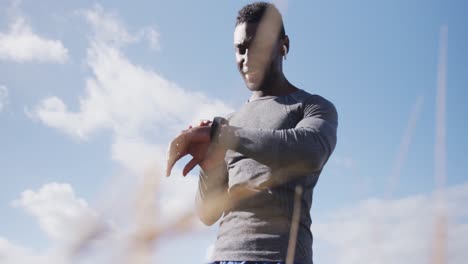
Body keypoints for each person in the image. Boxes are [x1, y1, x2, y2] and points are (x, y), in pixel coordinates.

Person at [166, 2, 338, 264]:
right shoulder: (229, 122)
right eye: (240, 49)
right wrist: (208, 168)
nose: (247, 58)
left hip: (281, 257)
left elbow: (310, 150)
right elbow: (207, 214)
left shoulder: (312, 106)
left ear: (284, 45)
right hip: (223, 256)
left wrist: (221, 135)